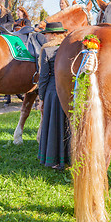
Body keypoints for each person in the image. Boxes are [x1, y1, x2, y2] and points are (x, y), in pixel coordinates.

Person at [38, 22, 70, 170]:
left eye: (47, 34)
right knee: (67, 125)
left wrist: (41, 98)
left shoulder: (47, 50)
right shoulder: (68, 48)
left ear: (54, 34)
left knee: (53, 125)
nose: (45, 36)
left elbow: (44, 76)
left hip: (52, 91)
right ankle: (68, 158)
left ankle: (53, 159)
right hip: (68, 91)